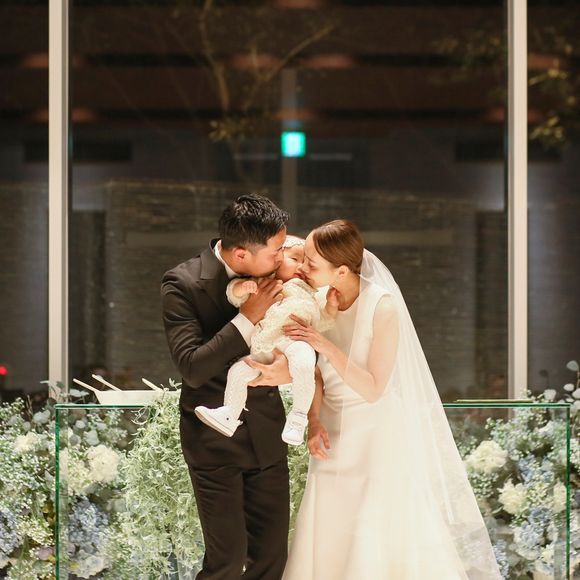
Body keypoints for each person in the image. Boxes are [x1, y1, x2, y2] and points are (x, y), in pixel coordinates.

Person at [281, 219, 502, 580]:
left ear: (340, 271)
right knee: (329, 527)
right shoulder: (319, 300)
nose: (302, 268)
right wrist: (314, 419)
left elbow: (373, 388)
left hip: (376, 434)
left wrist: (322, 342)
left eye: (311, 263)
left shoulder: (382, 306)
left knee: (374, 530)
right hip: (332, 432)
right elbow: (317, 373)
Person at [161, 194, 294, 580]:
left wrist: (288, 370)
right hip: (213, 442)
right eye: (276, 250)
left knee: (272, 560)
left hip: (268, 434)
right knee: (226, 563)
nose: (282, 256)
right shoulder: (182, 283)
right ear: (240, 255)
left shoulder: (277, 267)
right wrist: (247, 318)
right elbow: (192, 368)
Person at [194, 236, 338, 446]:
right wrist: (242, 287)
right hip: (265, 344)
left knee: (304, 362)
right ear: (277, 260)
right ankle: (230, 414)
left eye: (306, 262)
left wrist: (331, 307)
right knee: (238, 371)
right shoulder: (264, 283)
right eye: (295, 259)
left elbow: (321, 321)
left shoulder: (309, 292)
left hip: (295, 340)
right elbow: (233, 294)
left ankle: (298, 418)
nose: (301, 266)